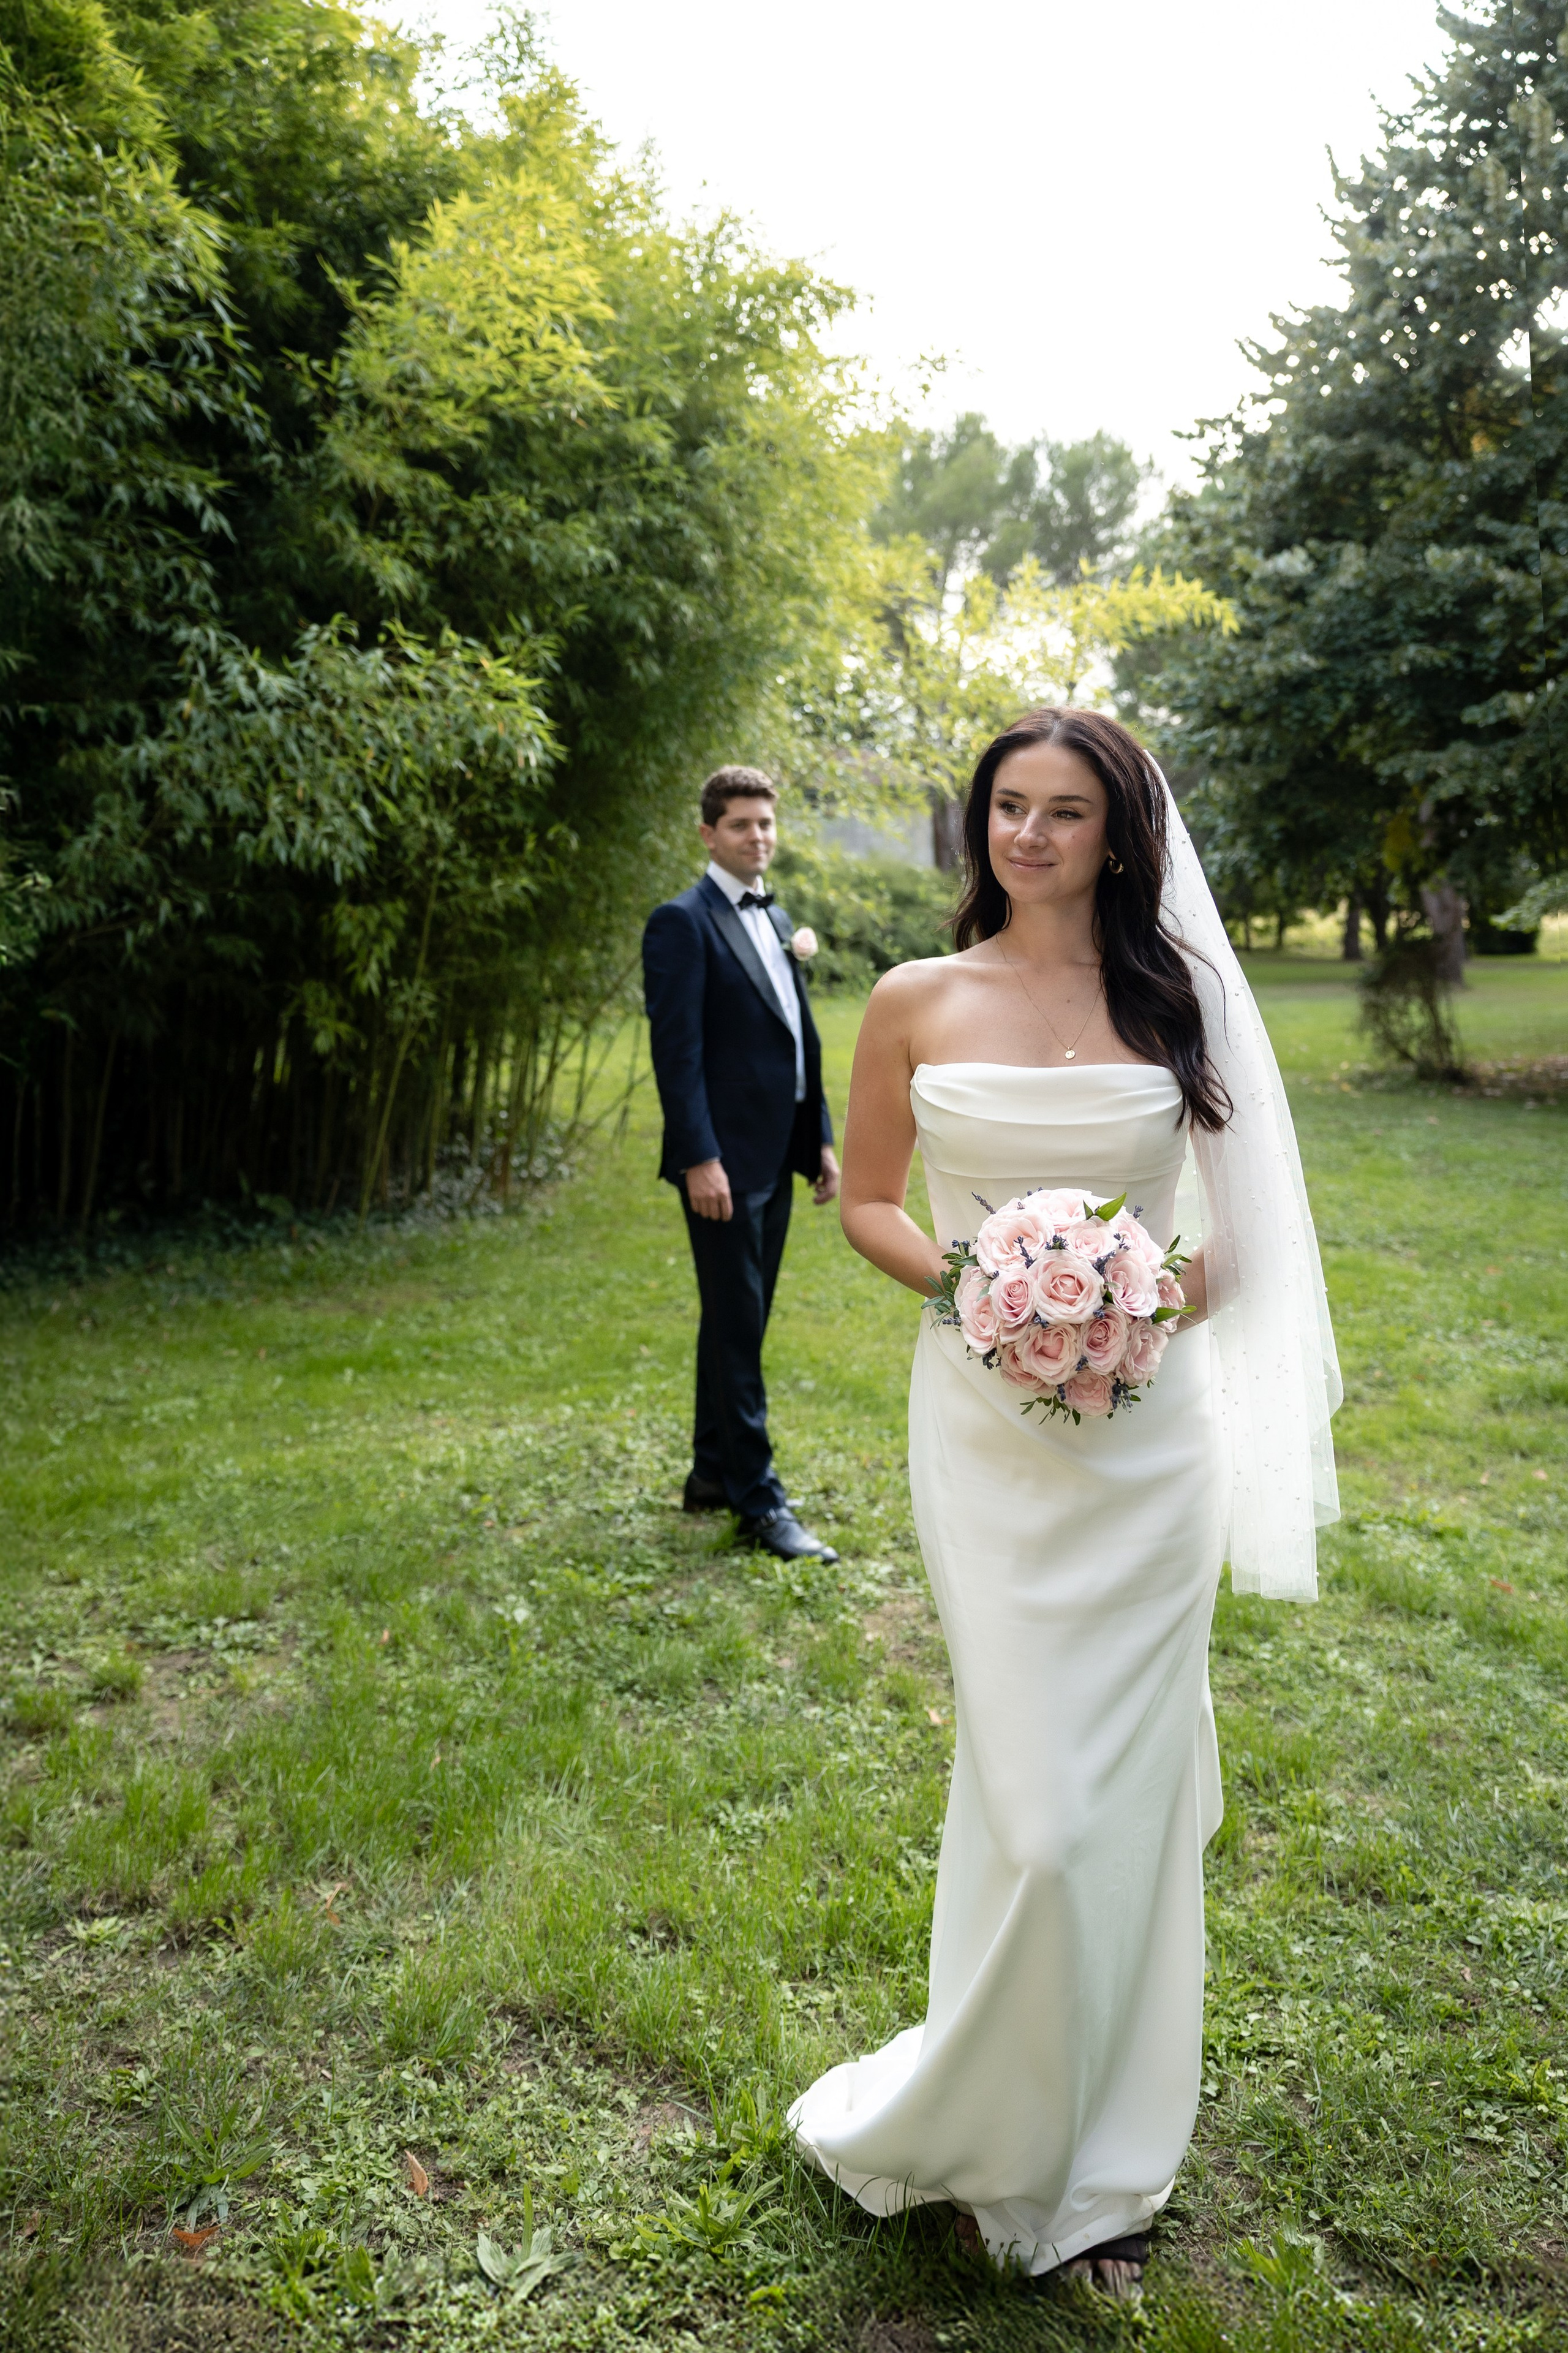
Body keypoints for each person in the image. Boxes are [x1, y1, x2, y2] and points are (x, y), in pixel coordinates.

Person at [788, 709, 1341, 2298]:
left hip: (1148, 1447)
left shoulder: (1178, 1001)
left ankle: (1097, 2156)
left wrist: (1133, 1309)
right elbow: (869, 1200)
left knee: (1122, 1801)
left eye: (1065, 811)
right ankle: (990, 2115)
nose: (1028, 835)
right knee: (1034, 1806)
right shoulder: (914, 998)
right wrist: (981, 1293)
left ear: (1119, 836)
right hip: (985, 1433)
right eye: (1007, 806)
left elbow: (1249, 1232)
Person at [643, 766, 842, 1564]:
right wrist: (700, 1157)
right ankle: (761, 1504)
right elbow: (677, 1055)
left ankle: (710, 1473)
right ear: (708, 834)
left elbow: (798, 1034)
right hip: (722, 1162)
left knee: (740, 1321)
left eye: (765, 823)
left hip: (777, 1148)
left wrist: (818, 1136)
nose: (757, 836)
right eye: (740, 824)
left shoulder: (778, 915)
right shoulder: (681, 923)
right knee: (736, 1328)